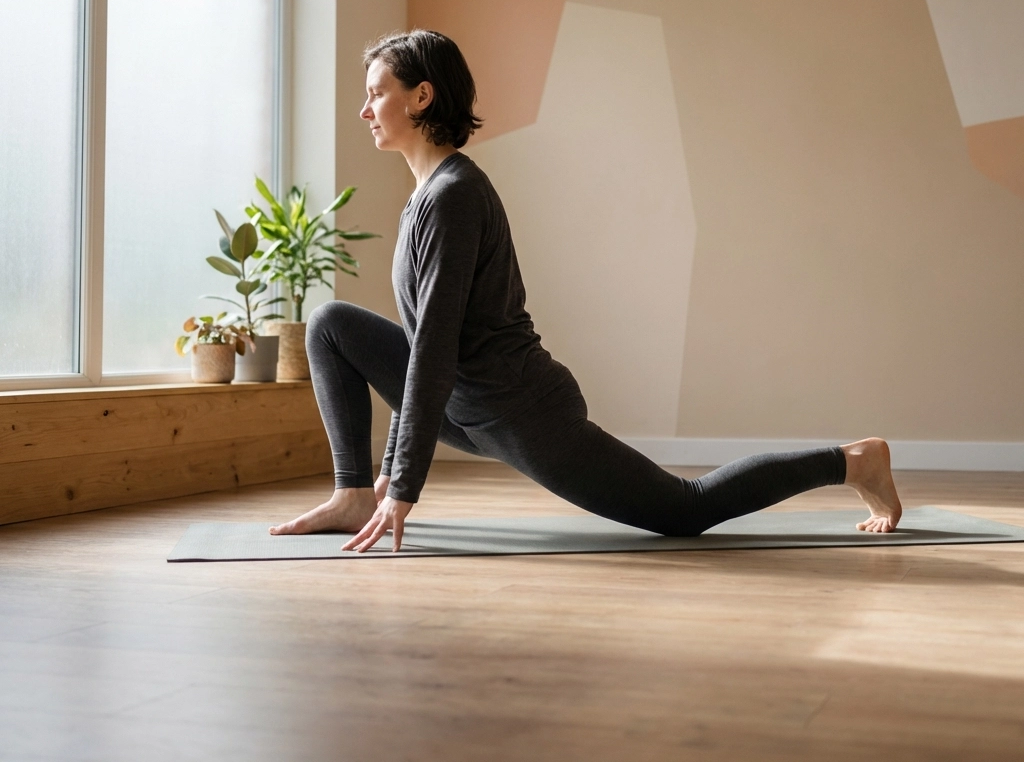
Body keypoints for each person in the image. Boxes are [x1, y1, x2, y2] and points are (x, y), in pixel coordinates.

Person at [270, 30, 902, 552]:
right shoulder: (425, 197)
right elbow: (420, 348)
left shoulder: (453, 197)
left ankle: (853, 461)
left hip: (523, 412)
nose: (365, 109)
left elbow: (433, 347)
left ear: (421, 98)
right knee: (330, 325)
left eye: (376, 93)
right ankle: (351, 497)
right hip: (469, 405)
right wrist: (379, 478)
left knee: (685, 510)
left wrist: (405, 485)